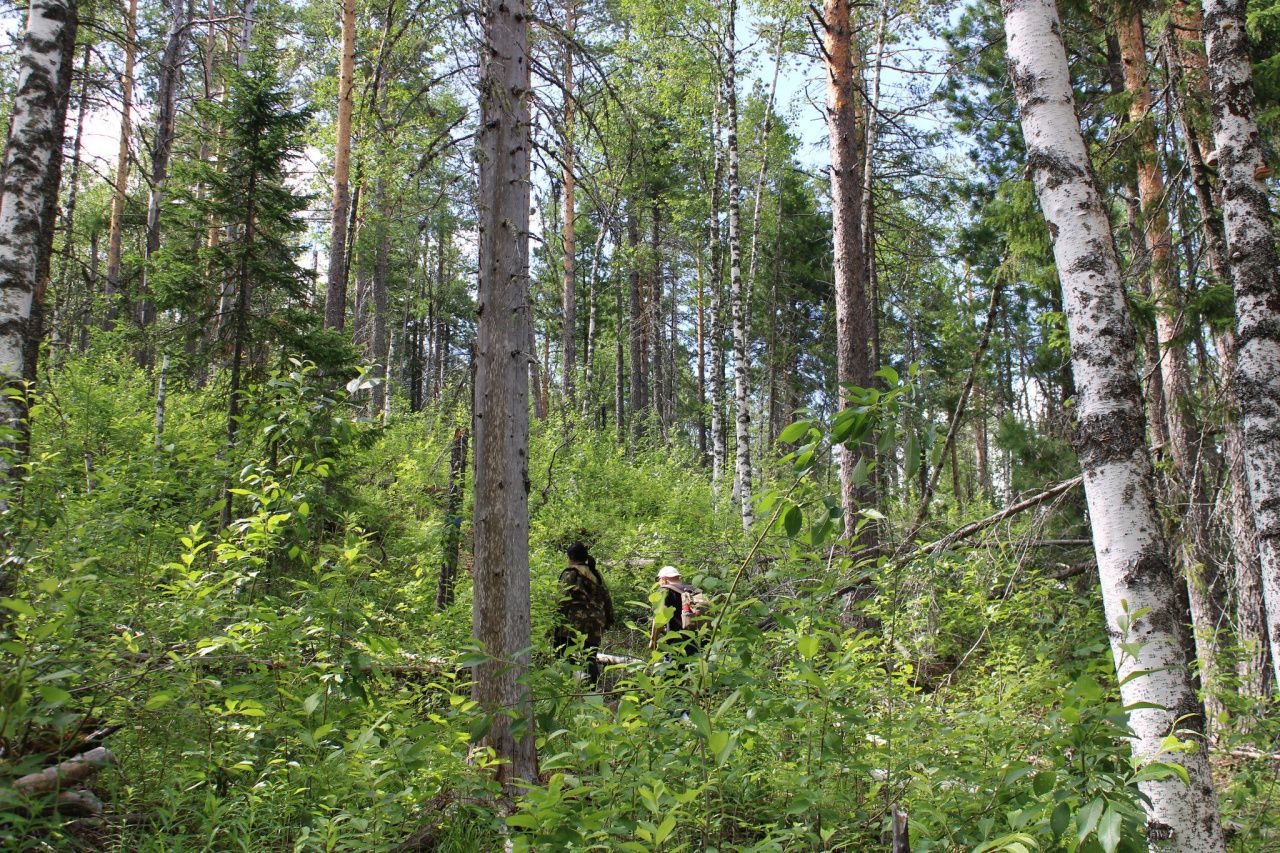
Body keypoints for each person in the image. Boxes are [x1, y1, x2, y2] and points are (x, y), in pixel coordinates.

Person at [553, 542, 614, 685]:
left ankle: (572, 684)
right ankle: (592, 689)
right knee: (590, 658)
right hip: (595, 623)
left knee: (563, 654)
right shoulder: (595, 574)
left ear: (570, 557)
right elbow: (606, 598)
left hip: (573, 624)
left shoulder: (570, 573)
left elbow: (561, 599)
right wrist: (609, 620)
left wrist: (554, 622)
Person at [648, 565, 699, 660]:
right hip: (698, 643)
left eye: (658, 580)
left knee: (672, 673)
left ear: (663, 579)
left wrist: (653, 641)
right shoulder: (693, 590)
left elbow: (660, 619)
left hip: (677, 645)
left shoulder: (664, 591)